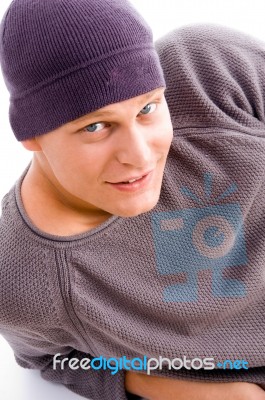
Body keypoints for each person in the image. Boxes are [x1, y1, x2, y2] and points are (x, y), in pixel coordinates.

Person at [0, 0, 265, 399]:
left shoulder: (210, 71)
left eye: (147, 108)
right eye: (96, 126)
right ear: (30, 134)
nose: (140, 156)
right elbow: (50, 360)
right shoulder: (18, 274)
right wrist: (199, 392)